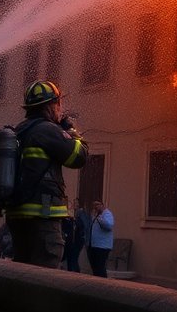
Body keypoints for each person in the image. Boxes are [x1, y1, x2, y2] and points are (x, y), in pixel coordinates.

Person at [6, 80, 89, 269]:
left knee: (22, 270)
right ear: (52, 105)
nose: (60, 109)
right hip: (42, 216)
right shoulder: (47, 130)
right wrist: (70, 130)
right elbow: (79, 157)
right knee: (43, 272)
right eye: (59, 103)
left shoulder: (19, 131)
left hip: (17, 215)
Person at [86, 200, 114, 278]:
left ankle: (103, 282)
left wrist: (99, 218)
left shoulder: (107, 214)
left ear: (102, 205)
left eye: (97, 204)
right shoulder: (95, 215)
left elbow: (109, 226)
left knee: (100, 267)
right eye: (94, 205)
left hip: (102, 246)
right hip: (93, 245)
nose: (95, 207)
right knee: (94, 267)